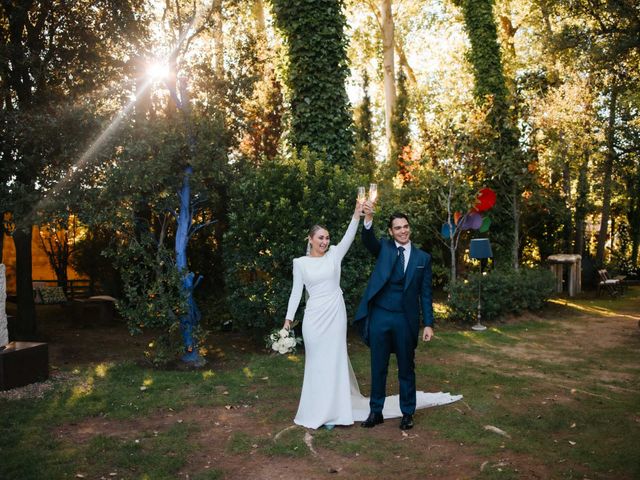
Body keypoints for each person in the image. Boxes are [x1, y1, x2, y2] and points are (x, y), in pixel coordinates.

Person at [354, 202, 434, 430]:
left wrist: (428, 323)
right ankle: (375, 412)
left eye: (405, 226)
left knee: (406, 368)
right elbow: (368, 241)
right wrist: (367, 218)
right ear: (390, 231)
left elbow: (426, 294)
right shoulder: (385, 249)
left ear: (410, 228)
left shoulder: (423, 258)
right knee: (378, 365)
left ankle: (407, 413)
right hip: (380, 315)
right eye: (397, 228)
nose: (402, 231)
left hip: (405, 319)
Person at [283, 201, 362, 429]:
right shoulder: (301, 263)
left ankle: (336, 413)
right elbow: (296, 293)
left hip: (335, 316)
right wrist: (288, 319)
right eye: (320, 238)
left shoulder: (335, 255)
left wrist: (356, 215)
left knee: (334, 361)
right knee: (317, 363)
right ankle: (317, 411)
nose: (325, 242)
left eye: (327, 238)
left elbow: (348, 236)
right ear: (310, 239)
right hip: (314, 319)